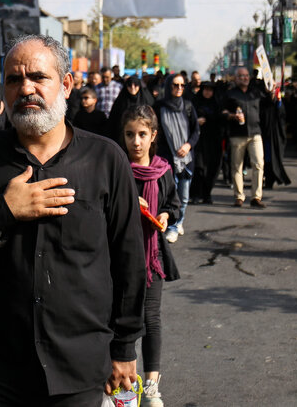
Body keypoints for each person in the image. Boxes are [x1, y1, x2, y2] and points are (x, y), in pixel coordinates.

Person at [0, 34, 146, 405]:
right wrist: (3, 212)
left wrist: (125, 347)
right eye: (14, 80)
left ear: (65, 84)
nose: (25, 88)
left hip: (77, 367)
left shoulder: (105, 160)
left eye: (37, 77)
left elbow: (129, 260)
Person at [120, 105, 180, 407]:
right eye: (130, 134)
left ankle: (152, 387)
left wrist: (167, 215)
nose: (136, 141)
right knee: (124, 320)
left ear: (153, 135)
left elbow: (174, 203)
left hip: (153, 258)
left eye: (142, 134)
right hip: (122, 260)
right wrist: (131, 202)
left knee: (151, 320)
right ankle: (124, 388)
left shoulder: (163, 171)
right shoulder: (117, 169)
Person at [153, 73, 200, 243]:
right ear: (168, 86)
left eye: (182, 85)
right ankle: (172, 226)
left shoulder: (188, 106)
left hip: (186, 159)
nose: (179, 88)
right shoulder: (159, 107)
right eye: (175, 85)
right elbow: (154, 132)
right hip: (167, 159)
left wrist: (188, 145)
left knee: (184, 196)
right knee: (170, 195)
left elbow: (196, 131)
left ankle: (179, 221)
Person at [222, 67, 267, 208]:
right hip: (237, 134)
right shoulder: (230, 94)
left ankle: (256, 197)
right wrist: (232, 116)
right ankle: (239, 196)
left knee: (259, 164)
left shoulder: (255, 92)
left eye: (246, 76)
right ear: (236, 78)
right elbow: (222, 111)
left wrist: (273, 94)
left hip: (255, 133)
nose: (244, 78)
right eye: (241, 76)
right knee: (237, 166)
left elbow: (267, 105)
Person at [190, 81, 225, 204]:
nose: (208, 92)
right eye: (205, 89)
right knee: (198, 168)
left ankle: (207, 194)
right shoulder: (194, 102)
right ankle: (195, 194)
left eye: (210, 90)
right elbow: (187, 118)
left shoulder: (217, 104)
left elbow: (221, 120)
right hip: (199, 141)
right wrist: (196, 121)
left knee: (212, 169)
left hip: (213, 141)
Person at [261, 87, 291, 189]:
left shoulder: (278, 104)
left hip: (275, 137)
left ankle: (272, 179)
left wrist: (278, 101)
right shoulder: (264, 103)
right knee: (265, 160)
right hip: (265, 136)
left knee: (274, 159)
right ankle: (266, 180)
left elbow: (282, 116)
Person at [108, 76, 155, 142]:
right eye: (129, 85)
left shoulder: (146, 100)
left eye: (135, 85)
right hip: (122, 138)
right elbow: (113, 121)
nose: (133, 88)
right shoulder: (120, 102)